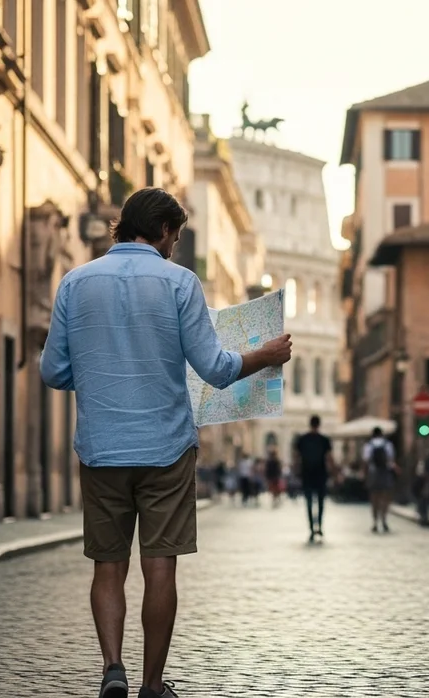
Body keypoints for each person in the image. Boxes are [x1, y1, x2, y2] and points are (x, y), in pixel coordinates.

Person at [39, 187, 292, 698]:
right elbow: (215, 368)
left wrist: (101, 371)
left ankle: (113, 669)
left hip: (102, 448)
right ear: (161, 230)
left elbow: (53, 371)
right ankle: (152, 685)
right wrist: (264, 356)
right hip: (166, 450)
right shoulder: (179, 282)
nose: (174, 247)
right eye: (175, 237)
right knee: (159, 569)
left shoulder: (75, 282)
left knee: (108, 567)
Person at [293, 415, 334, 542]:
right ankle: (319, 526)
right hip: (321, 474)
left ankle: (311, 528)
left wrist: (296, 470)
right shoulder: (324, 440)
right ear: (319, 424)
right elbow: (329, 458)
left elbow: (296, 457)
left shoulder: (302, 439)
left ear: (310, 424)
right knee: (321, 503)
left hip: (307, 474)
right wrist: (334, 471)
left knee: (309, 503)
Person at [362, 427, 398, 533]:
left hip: (373, 473)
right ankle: (384, 520)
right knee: (385, 498)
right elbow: (391, 460)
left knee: (374, 499)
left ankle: (375, 522)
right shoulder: (388, 444)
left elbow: (366, 461)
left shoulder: (368, 445)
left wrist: (365, 476)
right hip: (385, 473)